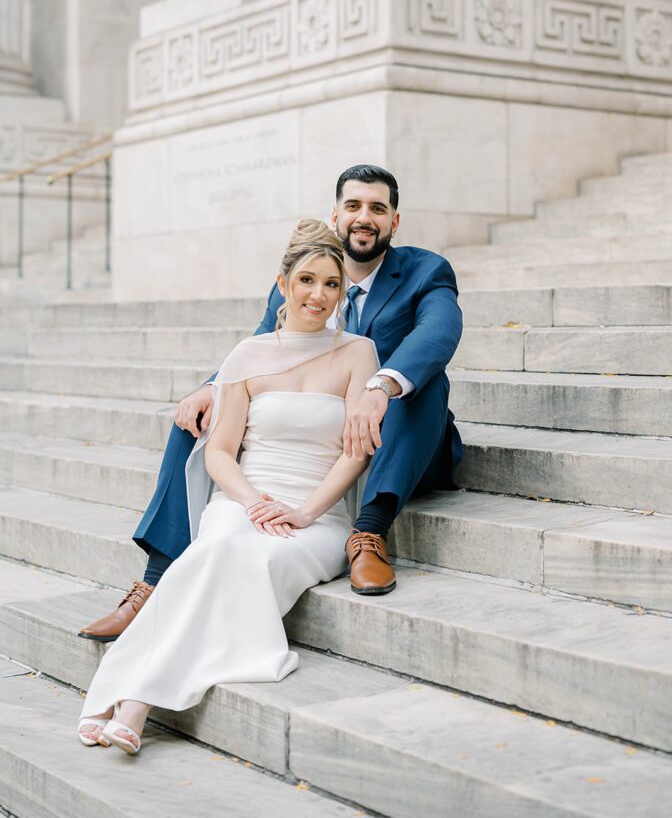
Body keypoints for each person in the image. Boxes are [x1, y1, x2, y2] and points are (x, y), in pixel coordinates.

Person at [79, 164, 463, 644]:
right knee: (198, 416)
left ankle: (369, 533)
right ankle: (155, 580)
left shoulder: (426, 271)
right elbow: (264, 348)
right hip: (319, 442)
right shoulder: (307, 277)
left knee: (418, 383)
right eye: (353, 206)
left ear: (394, 221)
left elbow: (438, 332)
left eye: (377, 208)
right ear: (336, 215)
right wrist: (212, 386)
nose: (364, 217)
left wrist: (379, 387)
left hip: (398, 446)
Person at [77, 219, 379, 753]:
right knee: (217, 549)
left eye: (331, 284)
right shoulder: (245, 355)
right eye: (307, 281)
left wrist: (306, 513)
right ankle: (139, 701)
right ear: (283, 284)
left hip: (317, 515)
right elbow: (218, 451)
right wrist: (252, 501)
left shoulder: (359, 353)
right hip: (242, 497)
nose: (319, 295)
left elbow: (355, 452)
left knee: (256, 562)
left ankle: (129, 696)